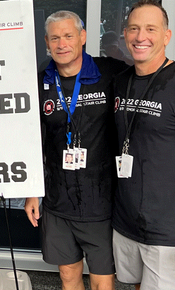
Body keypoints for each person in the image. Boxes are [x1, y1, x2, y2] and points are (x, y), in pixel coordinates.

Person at [24, 10, 128, 290]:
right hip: (58, 200)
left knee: (102, 282)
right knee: (68, 276)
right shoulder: (40, 82)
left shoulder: (111, 72)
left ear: (82, 37)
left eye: (69, 36)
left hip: (102, 201)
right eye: (55, 38)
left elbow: (147, 78)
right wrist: (32, 190)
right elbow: (31, 138)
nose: (62, 44)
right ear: (46, 42)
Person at [112, 1, 174, 289]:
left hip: (166, 230)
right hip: (125, 221)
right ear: (125, 34)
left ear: (166, 36)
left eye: (151, 29)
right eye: (134, 29)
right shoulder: (120, 82)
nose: (141, 37)